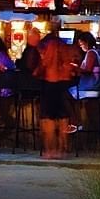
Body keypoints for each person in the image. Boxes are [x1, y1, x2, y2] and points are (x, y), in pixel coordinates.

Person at [37, 31, 76, 159]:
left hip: (51, 82)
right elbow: (71, 66)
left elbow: (46, 63)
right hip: (63, 83)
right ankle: (62, 149)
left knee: (49, 119)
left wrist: (37, 71)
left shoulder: (51, 45)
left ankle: (50, 150)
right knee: (63, 117)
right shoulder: (64, 46)